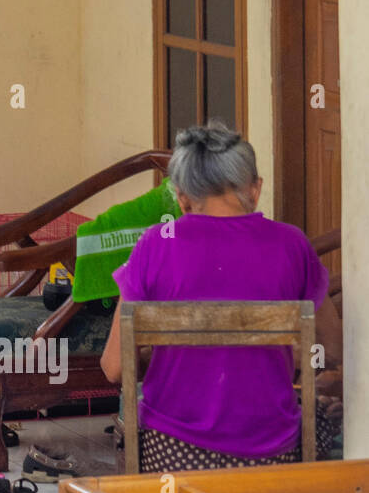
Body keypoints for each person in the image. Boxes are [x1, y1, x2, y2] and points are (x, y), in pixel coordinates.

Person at [99, 120, 336, 471]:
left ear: (181, 198)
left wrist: (175, 347)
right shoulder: (292, 244)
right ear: (255, 190)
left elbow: (115, 368)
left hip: (173, 456)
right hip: (270, 456)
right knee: (326, 418)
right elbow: (333, 348)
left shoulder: (154, 245)